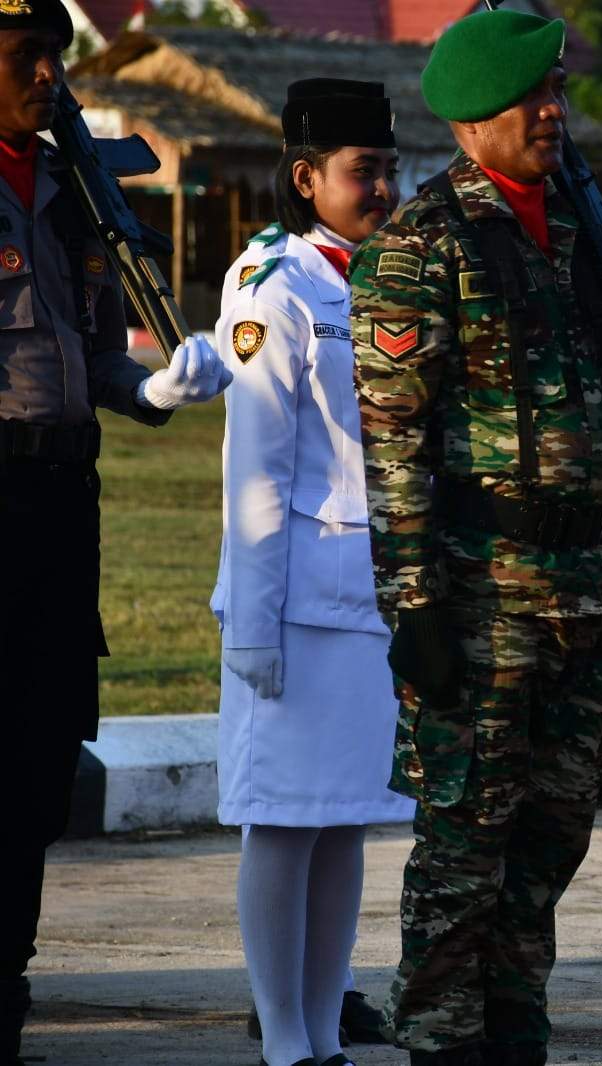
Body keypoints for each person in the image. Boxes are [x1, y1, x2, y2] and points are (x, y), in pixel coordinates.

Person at [349, 11, 602, 1065]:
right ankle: (440, 1032)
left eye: (557, 94)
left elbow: (595, 399)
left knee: (555, 828)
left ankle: (513, 1023)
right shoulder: (417, 247)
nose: (553, 114)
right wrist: (415, 608)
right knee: (465, 835)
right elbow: (393, 446)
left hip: (577, 574)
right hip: (476, 586)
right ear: (474, 119)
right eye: (533, 100)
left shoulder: (577, 238)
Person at [0, 3, 231, 1061]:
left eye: (54, 54)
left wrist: (154, 390)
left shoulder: (69, 188)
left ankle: (8, 980)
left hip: (60, 504)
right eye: (20, 57)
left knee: (41, 758)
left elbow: (93, 356)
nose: (45, 73)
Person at [212, 79, 416, 1066]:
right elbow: (255, 458)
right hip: (290, 600)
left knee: (347, 824)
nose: (380, 187)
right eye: (359, 170)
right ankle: (285, 1041)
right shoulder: (272, 283)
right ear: (305, 178)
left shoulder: (383, 277)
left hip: (369, 597)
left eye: (387, 168)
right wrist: (249, 622)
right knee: (283, 826)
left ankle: (326, 1027)